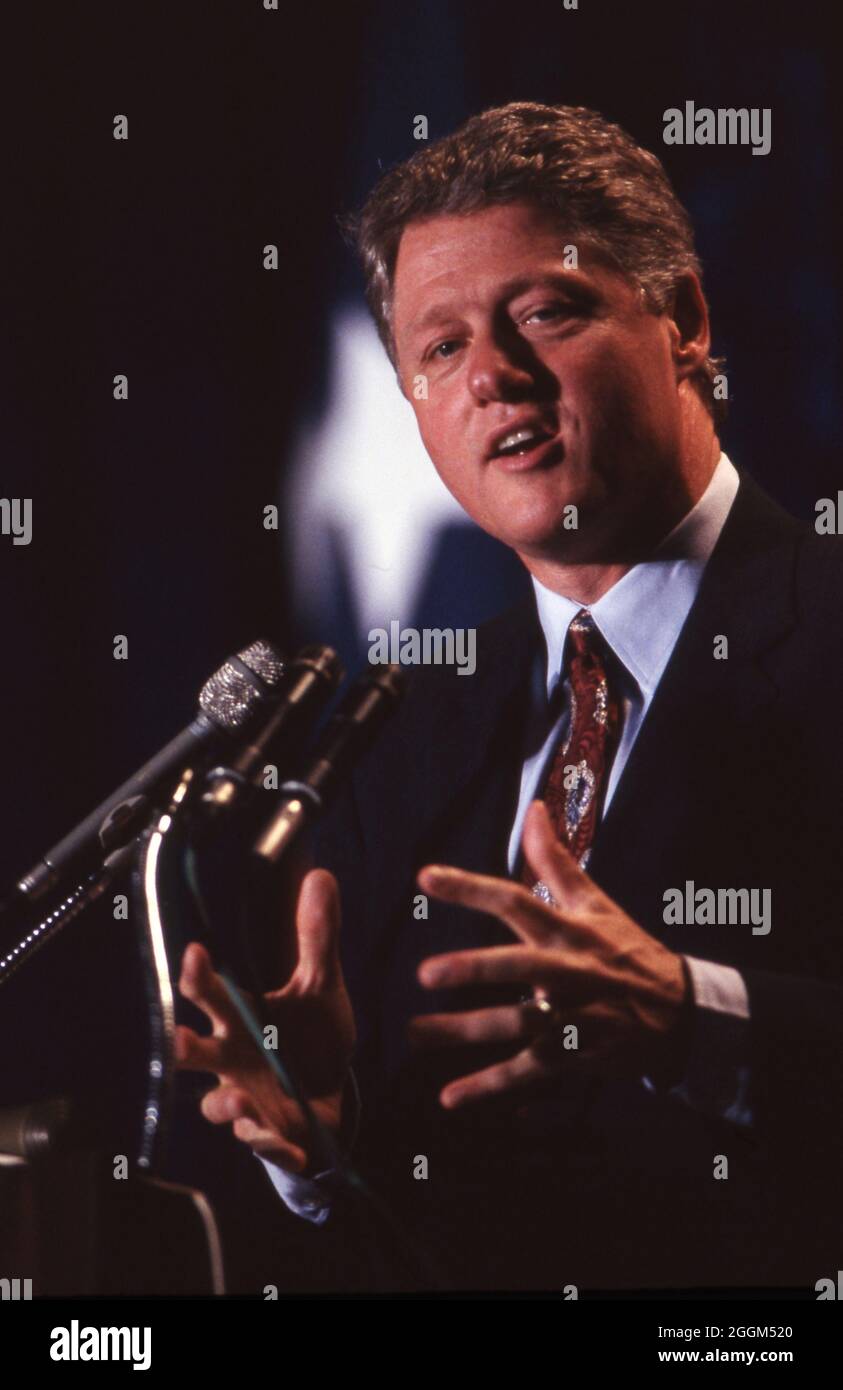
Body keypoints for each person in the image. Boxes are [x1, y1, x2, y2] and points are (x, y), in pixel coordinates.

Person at [175, 103, 843, 1292]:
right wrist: (322, 1136)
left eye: (545, 310)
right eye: (438, 348)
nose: (491, 372)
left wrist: (699, 1018)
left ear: (685, 320)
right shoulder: (399, 728)